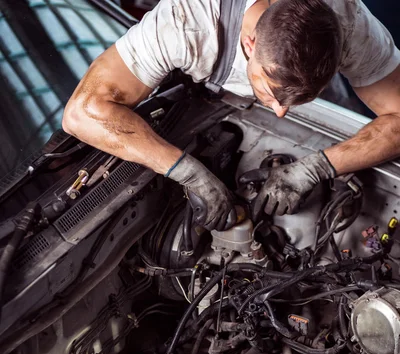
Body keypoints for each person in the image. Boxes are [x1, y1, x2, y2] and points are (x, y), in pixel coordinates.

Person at [63, 0, 400, 230]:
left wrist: (317, 166)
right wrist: (187, 171)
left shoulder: (348, 20)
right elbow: (82, 112)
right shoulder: (187, 23)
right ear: (251, 45)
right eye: (270, 93)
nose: (280, 114)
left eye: (299, 99)